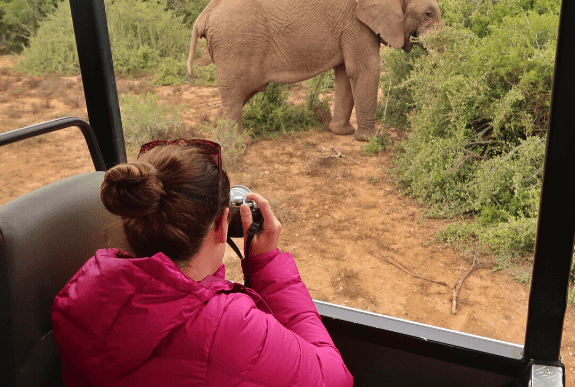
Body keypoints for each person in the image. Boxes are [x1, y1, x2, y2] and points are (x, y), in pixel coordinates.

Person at [51, 139, 353, 386]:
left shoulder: (85, 293)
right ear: (222, 223)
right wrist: (267, 266)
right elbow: (335, 379)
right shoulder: (226, 327)